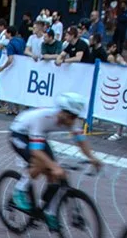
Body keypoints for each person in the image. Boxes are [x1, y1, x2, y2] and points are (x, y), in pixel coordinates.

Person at [7, 95, 93, 223]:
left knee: (56, 176)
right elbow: (36, 151)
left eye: (75, 116)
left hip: (36, 136)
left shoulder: (72, 120)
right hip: (19, 134)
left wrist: (92, 158)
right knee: (41, 163)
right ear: (62, 112)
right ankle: (19, 190)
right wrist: (54, 166)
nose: (73, 120)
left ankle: (50, 213)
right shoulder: (42, 118)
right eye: (71, 116)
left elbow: (81, 140)